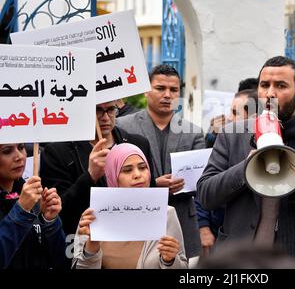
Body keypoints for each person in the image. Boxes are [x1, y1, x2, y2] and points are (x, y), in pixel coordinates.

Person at [197, 56, 295, 268]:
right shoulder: (233, 134)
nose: (270, 93)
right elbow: (206, 195)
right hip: (241, 261)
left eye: (280, 86)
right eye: (264, 85)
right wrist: (246, 168)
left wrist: (293, 177)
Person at [116, 64, 204, 259]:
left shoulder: (194, 131)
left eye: (173, 90)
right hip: (135, 217)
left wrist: (183, 184)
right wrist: (155, 183)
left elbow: (202, 180)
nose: (167, 95)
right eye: (160, 88)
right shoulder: (122, 126)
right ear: (147, 91)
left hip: (181, 220)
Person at [40, 100, 155, 240]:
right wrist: (90, 176)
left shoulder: (137, 143)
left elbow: (152, 194)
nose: (105, 117)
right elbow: (58, 211)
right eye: (98, 110)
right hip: (84, 243)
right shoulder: (58, 153)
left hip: (136, 237)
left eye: (111, 109)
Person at [73, 143, 188, 269]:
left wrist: (169, 261)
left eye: (143, 167)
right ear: (112, 176)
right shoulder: (93, 216)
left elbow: (183, 268)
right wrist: (91, 246)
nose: (138, 175)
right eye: (127, 170)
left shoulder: (167, 213)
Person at [198, 89, 257, 256]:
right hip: (227, 239)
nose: (229, 118)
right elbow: (204, 190)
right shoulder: (225, 140)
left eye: (234, 112)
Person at [0, 143, 66, 269]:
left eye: (21, 147)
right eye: (7, 151)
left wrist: (50, 221)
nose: (19, 156)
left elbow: (60, 261)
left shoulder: (32, 195)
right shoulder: (26, 201)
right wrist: (21, 211)